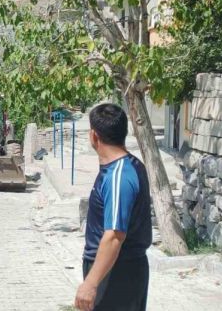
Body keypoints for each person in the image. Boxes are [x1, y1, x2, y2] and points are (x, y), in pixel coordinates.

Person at [74, 103, 152, 311]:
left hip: (117, 273)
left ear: (94, 136)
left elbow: (115, 235)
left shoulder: (119, 176)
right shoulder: (129, 166)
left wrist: (90, 284)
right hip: (118, 269)